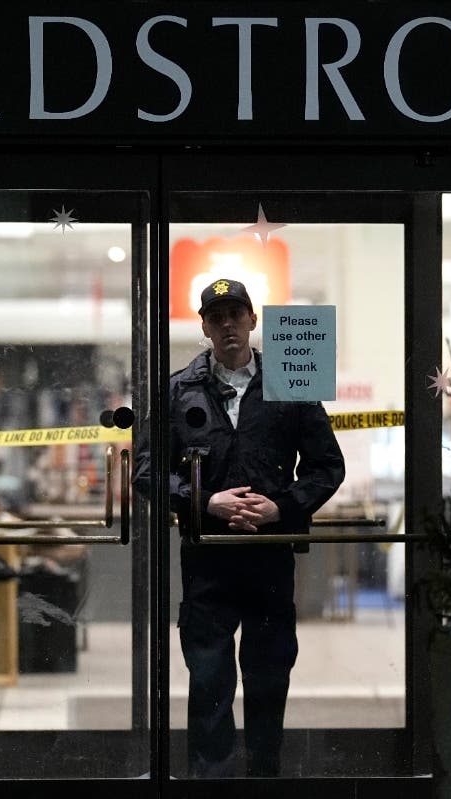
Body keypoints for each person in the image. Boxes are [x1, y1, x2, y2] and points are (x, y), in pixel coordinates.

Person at [134, 278, 344, 778]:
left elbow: (326, 467)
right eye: (217, 317)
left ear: (253, 320)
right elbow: (146, 471)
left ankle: (265, 779)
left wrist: (281, 508)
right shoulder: (177, 389)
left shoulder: (290, 383)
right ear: (204, 327)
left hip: (270, 558)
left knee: (269, 678)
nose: (228, 324)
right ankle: (211, 785)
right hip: (208, 562)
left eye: (236, 314)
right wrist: (208, 502)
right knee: (208, 683)